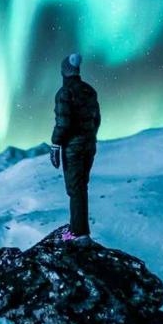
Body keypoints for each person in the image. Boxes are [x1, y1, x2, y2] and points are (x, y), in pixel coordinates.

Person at [50, 53, 101, 243]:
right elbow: (96, 119)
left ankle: (79, 234)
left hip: (73, 147)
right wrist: (90, 136)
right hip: (89, 144)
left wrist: (55, 144)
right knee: (81, 187)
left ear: (64, 71)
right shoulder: (90, 90)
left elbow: (63, 123)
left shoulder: (64, 93)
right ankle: (77, 229)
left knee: (75, 188)